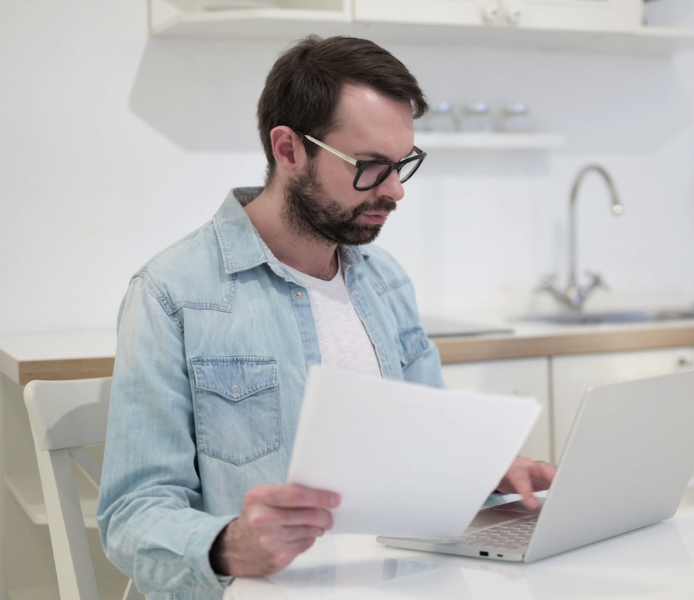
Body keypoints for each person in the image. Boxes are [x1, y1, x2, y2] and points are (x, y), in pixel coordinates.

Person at [97, 35, 555, 599]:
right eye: (369, 166)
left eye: (402, 165)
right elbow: (130, 515)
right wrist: (231, 543)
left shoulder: (385, 280)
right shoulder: (172, 294)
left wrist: (483, 474)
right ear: (288, 149)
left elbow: (430, 449)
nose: (394, 191)